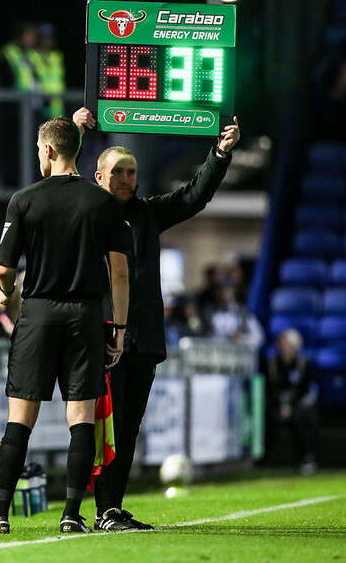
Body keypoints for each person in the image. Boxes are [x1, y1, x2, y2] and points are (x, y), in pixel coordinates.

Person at [81, 107, 241, 531]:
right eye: (119, 172)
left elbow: (194, 196)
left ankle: (111, 506)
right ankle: (97, 509)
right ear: (98, 177)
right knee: (101, 429)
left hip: (143, 340)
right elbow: (58, 180)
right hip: (103, 339)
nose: (129, 180)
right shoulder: (85, 212)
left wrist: (219, 155)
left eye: (132, 172)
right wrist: (76, 134)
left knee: (128, 428)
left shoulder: (147, 214)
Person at [0, 116, 130, 535]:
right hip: (85, 317)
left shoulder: (24, 199)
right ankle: (71, 515)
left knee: (19, 419)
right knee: (80, 419)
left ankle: (1, 515)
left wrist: (6, 292)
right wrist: (118, 327)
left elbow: (4, 266)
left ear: (47, 149)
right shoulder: (103, 203)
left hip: (39, 313)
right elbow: (119, 274)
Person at [263, 328, 317, 474]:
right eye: (282, 343)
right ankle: (262, 459)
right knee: (267, 419)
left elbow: (303, 390)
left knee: (300, 420)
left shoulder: (303, 365)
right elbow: (269, 389)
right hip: (276, 404)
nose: (284, 346)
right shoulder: (270, 364)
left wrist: (290, 407)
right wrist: (279, 406)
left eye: (288, 344)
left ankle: (306, 458)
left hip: (296, 404)